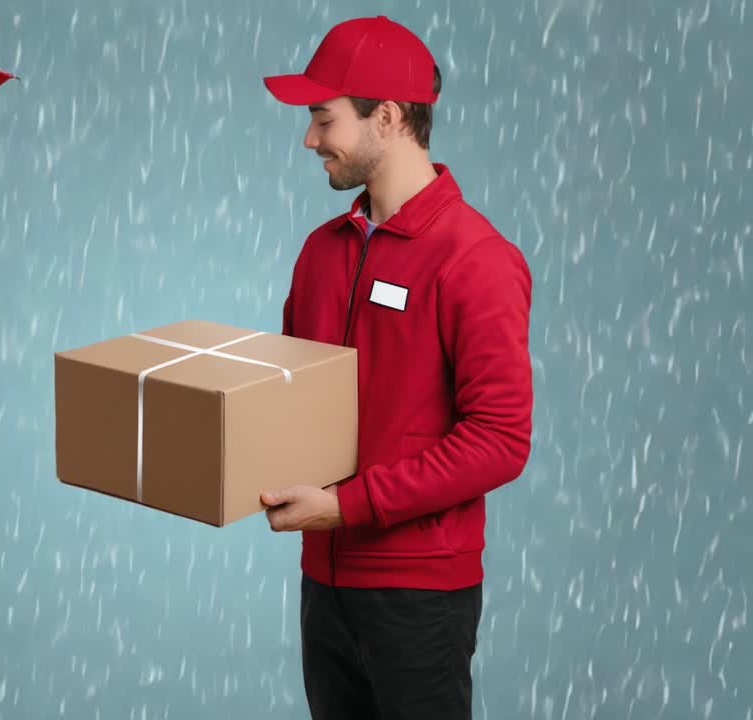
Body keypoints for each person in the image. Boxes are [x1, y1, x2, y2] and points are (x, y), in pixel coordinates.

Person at [257, 16, 534, 720]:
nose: (309, 140)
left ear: (386, 116)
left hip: (419, 597)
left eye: (323, 119)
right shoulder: (321, 252)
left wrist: (347, 506)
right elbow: (292, 396)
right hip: (324, 582)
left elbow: (500, 441)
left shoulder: (474, 259)